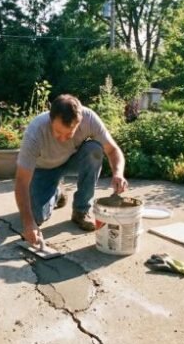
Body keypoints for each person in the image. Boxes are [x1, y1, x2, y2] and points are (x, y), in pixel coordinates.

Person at [14, 94, 128, 247]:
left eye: (69, 133)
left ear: (79, 122)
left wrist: (118, 174)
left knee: (94, 149)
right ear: (50, 118)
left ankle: (81, 210)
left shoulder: (89, 119)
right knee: (36, 217)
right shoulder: (35, 131)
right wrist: (29, 224)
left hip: (70, 160)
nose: (62, 139)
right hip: (43, 169)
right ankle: (57, 192)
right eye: (57, 132)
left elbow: (113, 150)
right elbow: (21, 181)